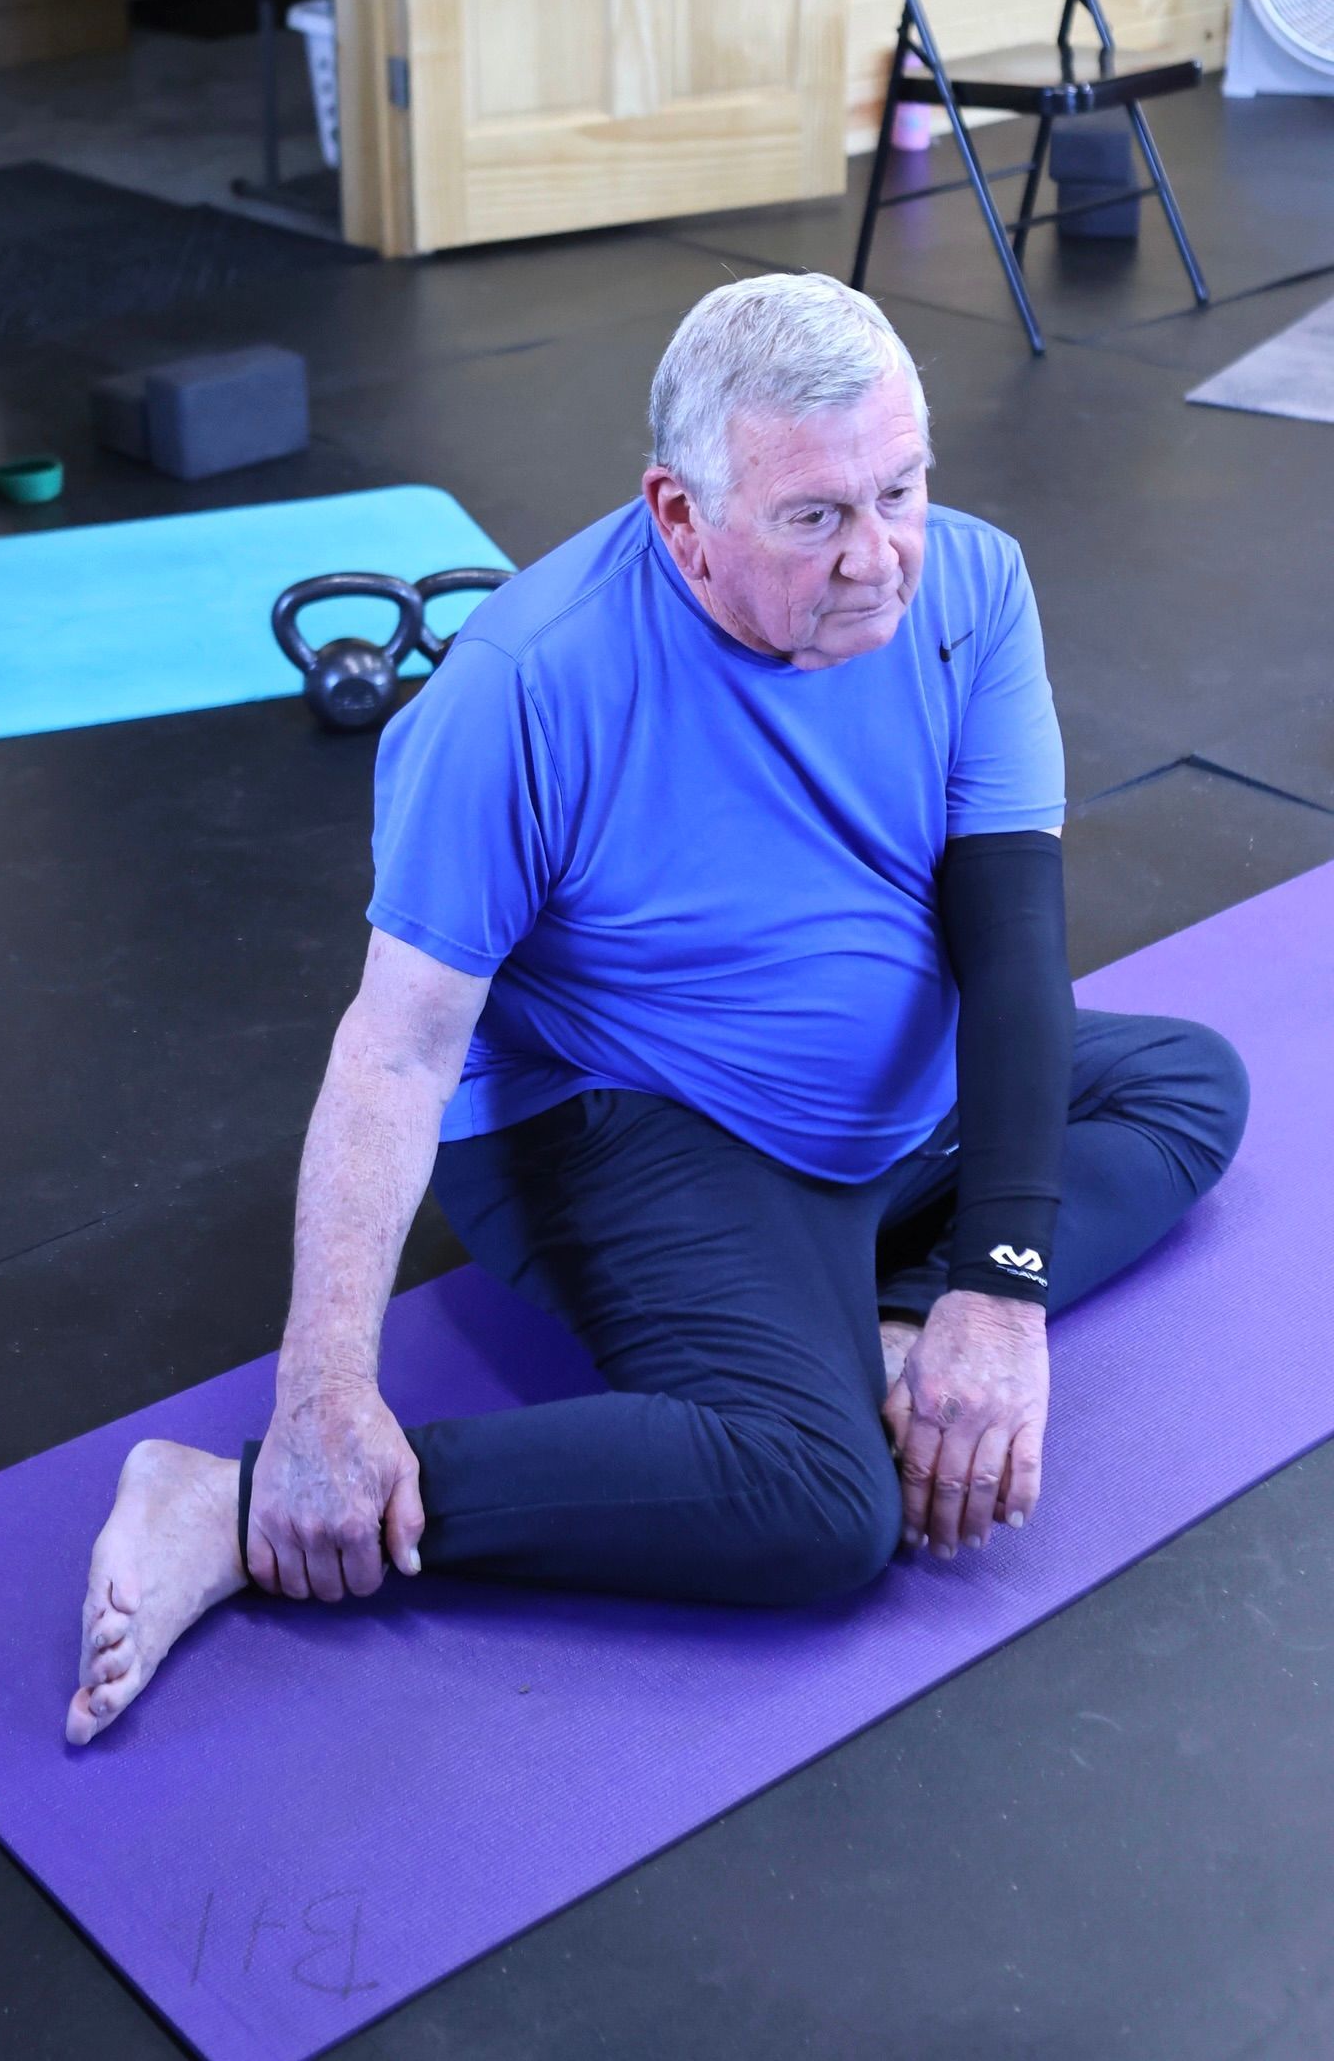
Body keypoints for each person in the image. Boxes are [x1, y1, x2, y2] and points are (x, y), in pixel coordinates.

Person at [67, 274, 1248, 1745]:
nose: (878, 556)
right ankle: (226, 1503)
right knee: (826, 1511)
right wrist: (319, 1402)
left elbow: (1013, 950)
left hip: (892, 1111)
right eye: (815, 517)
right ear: (682, 516)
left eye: (901, 490)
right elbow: (394, 1049)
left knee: (1189, 1084)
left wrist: (991, 1291)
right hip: (636, 1126)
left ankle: (883, 1315)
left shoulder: (976, 588)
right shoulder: (523, 685)